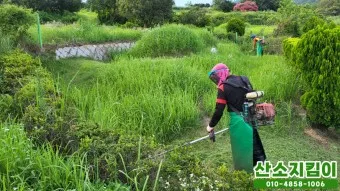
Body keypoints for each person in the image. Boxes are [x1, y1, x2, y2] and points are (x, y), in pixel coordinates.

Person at [206, 63, 266, 173]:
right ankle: (261, 168)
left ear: (221, 74)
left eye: (216, 77)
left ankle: (245, 173)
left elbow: (219, 111)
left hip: (239, 120)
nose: (216, 80)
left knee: (242, 147)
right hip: (251, 115)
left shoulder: (223, 87)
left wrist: (210, 126)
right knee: (255, 143)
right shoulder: (243, 79)